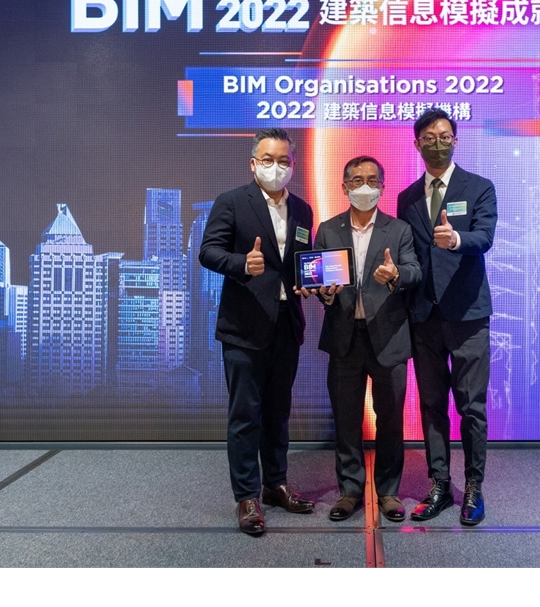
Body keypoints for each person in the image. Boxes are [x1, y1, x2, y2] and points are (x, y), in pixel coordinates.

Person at [198, 127, 316, 536]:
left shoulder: (303, 209)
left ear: (293, 165)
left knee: (279, 411)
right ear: (253, 164)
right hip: (244, 326)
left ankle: (276, 484)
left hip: (287, 323)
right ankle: (247, 496)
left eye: (283, 160)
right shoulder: (231, 202)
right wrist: (240, 265)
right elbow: (208, 251)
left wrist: (311, 282)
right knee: (245, 413)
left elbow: (302, 259)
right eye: (268, 160)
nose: (275, 167)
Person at [302, 156, 421, 523]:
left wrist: (396, 274)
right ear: (344, 187)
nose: (364, 186)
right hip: (344, 338)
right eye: (356, 180)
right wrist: (323, 293)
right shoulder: (328, 230)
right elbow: (320, 283)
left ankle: (388, 491)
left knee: (390, 420)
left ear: (383, 187)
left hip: (388, 337)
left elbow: (415, 271)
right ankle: (350, 491)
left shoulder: (398, 230)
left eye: (372, 180)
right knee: (347, 419)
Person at [396, 107, 497, 526]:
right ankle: (439, 483)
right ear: (417, 144)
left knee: (471, 406)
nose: (437, 143)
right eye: (428, 138)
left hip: (468, 314)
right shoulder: (406, 198)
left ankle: (473, 487)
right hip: (424, 315)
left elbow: (484, 237)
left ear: (455, 140)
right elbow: (408, 253)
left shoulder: (479, 187)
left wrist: (456, 238)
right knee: (432, 405)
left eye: (444, 136)